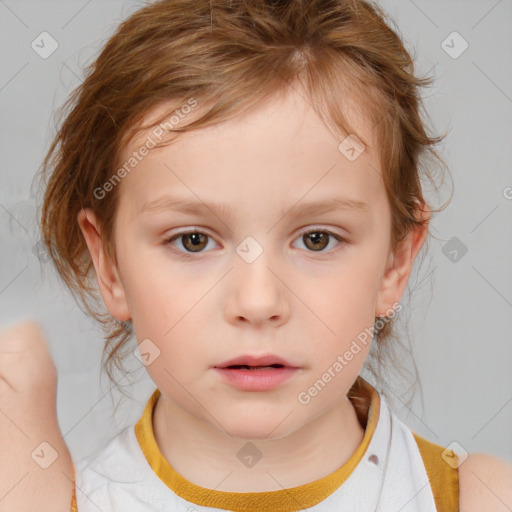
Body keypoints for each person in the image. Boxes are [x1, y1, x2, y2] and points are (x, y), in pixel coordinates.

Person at [1, 0, 511, 510]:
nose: (259, 300)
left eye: (317, 239)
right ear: (108, 265)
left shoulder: (481, 498)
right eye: (193, 240)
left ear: (395, 263)